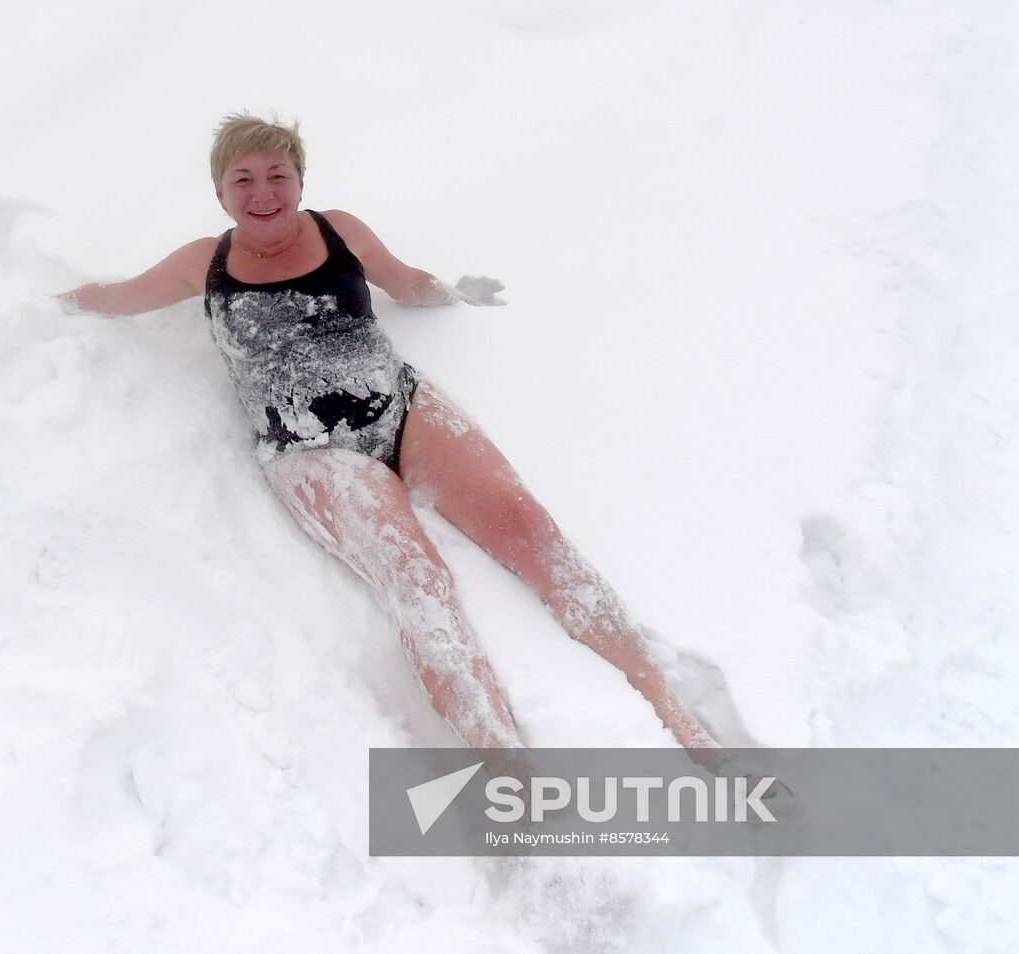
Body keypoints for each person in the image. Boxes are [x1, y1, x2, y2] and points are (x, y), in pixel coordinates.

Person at [56, 112, 726, 769]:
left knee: (528, 526)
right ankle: (508, 773)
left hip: (402, 407)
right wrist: (46, 303)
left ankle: (672, 706)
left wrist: (461, 300)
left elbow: (405, 282)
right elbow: (115, 299)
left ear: (300, 181)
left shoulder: (339, 232)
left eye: (278, 174)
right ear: (220, 192)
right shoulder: (203, 264)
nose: (263, 193)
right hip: (314, 453)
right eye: (244, 179)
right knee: (417, 577)